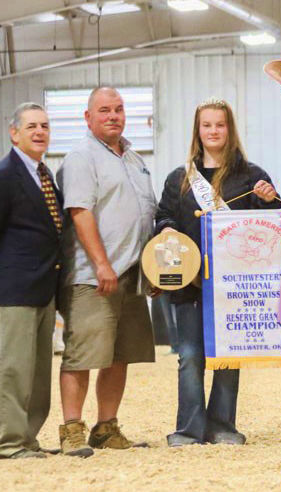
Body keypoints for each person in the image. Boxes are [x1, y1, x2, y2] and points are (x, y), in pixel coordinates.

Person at [154, 99, 281, 447]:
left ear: (230, 129)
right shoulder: (179, 179)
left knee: (229, 354)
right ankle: (189, 429)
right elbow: (163, 216)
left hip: (233, 284)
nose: (213, 131)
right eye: (207, 125)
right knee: (191, 355)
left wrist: (270, 200)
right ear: (198, 130)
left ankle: (223, 424)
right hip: (189, 282)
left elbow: (274, 224)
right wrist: (166, 229)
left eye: (220, 125)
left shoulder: (253, 176)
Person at [56, 87, 158, 455]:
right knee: (84, 353)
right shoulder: (82, 157)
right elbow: (79, 212)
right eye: (104, 110)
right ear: (88, 118)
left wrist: (153, 272)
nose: (113, 116)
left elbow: (146, 218)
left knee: (120, 354)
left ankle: (106, 427)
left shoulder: (134, 158)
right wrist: (101, 263)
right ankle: (71, 430)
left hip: (131, 274)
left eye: (118, 109)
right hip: (93, 276)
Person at [0, 103, 66, 459]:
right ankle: (8, 442)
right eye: (31, 127)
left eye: (44, 126)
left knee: (40, 369)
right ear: (14, 133)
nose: (39, 132)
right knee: (13, 368)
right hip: (14, 290)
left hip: (43, 287)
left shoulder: (44, 174)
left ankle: (29, 437)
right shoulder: (6, 175)